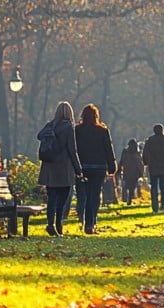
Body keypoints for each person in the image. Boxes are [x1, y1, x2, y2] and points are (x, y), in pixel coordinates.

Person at [37, 101, 83, 236]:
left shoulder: (50, 125)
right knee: (62, 199)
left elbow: (39, 136)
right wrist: (78, 169)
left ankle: (50, 223)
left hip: (49, 167)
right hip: (64, 167)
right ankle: (58, 224)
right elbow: (72, 149)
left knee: (51, 197)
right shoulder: (69, 127)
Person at [73, 103, 118, 235]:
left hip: (82, 167)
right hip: (98, 167)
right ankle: (91, 222)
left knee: (83, 195)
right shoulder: (102, 131)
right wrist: (112, 165)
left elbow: (74, 149)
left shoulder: (77, 131)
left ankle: (83, 217)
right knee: (95, 195)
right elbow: (108, 149)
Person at [142, 124, 164, 212]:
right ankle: (163, 204)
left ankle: (155, 206)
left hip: (153, 167)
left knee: (154, 187)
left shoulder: (149, 141)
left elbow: (145, 154)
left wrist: (146, 162)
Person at [119, 138, 143, 204]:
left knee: (126, 185)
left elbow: (121, 161)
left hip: (127, 171)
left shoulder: (125, 152)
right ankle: (129, 199)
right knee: (132, 187)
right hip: (135, 173)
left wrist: (119, 169)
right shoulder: (137, 153)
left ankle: (126, 198)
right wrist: (141, 173)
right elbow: (140, 163)